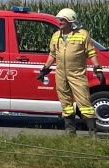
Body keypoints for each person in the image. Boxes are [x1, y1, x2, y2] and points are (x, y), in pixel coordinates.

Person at [38, 8, 103, 136]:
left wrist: (98, 69)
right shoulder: (56, 36)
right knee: (65, 103)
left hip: (77, 73)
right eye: (59, 19)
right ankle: (70, 131)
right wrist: (44, 69)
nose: (60, 22)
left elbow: (91, 52)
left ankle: (92, 132)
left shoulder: (82, 34)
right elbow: (52, 54)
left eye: (63, 20)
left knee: (84, 102)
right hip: (61, 73)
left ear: (70, 21)